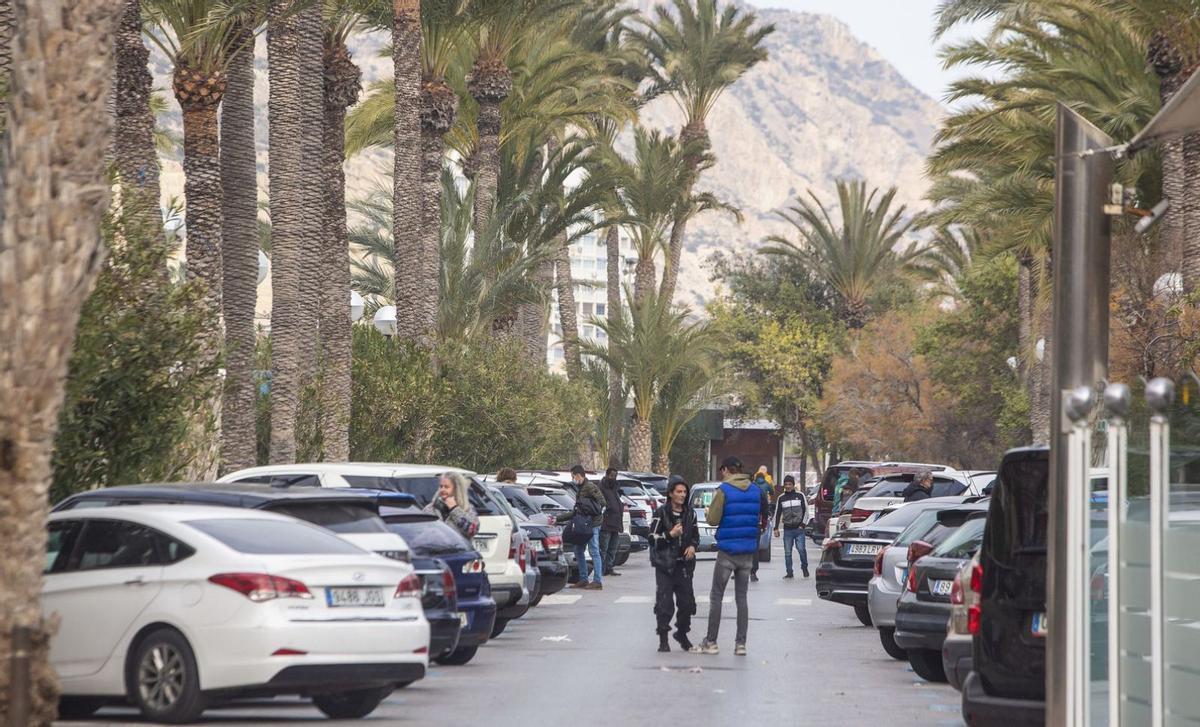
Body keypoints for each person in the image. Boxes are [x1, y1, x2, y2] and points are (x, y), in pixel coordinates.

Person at [691, 455, 766, 656]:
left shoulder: (723, 490)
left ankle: (711, 642)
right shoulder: (755, 490)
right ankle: (741, 644)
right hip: (748, 551)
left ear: (726, 470)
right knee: (742, 598)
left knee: (717, 596)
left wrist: (708, 513)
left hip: (727, 552)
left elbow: (713, 519)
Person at [650, 475, 698, 652]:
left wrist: (692, 546)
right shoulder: (661, 513)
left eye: (685, 492)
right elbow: (652, 538)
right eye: (679, 492)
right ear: (670, 493)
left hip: (683, 566)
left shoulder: (690, 514)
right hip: (665, 565)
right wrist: (670, 535)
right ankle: (663, 638)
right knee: (664, 604)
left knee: (687, 604)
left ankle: (682, 633)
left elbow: (695, 537)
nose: (682, 495)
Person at [556, 464, 606, 590]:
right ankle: (583, 579)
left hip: (592, 524)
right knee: (578, 550)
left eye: (573, 476)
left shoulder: (590, 487)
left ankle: (597, 581)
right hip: (582, 525)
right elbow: (577, 510)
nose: (573, 479)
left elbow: (602, 503)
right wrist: (558, 518)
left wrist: (589, 511)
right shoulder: (581, 488)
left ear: (579, 475)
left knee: (594, 551)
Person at [426, 472, 480, 540]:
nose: (442, 489)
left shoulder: (467, 508)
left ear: (456, 489)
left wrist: (454, 509)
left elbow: (473, 530)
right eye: (441, 486)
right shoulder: (431, 508)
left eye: (446, 487)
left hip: (460, 550)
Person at [773, 475, 809, 579]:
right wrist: (775, 528)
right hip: (787, 529)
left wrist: (803, 524)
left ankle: (804, 568)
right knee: (787, 552)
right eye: (786, 484)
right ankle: (789, 572)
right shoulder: (781, 498)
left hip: (799, 529)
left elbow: (806, 511)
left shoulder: (800, 495)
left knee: (801, 550)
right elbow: (777, 513)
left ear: (793, 485)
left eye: (790, 484)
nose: (788, 486)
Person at [749, 467, 774, 582]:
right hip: (755, 524)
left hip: (741, 524)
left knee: (740, 546)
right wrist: (763, 524)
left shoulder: (738, 490)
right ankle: (753, 572)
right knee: (754, 548)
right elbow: (765, 508)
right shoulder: (758, 491)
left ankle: (739, 569)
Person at [598, 468, 624, 576]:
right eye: (612, 475)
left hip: (616, 522)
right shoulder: (601, 487)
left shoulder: (615, 487)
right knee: (604, 548)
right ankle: (601, 569)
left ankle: (609, 567)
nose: (613, 478)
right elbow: (599, 502)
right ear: (607, 475)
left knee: (613, 548)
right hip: (606, 522)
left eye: (615, 476)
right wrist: (607, 507)